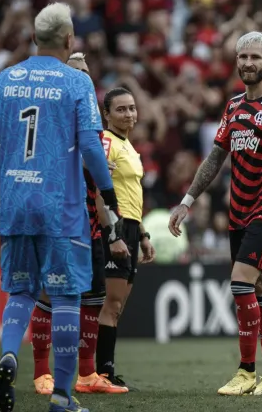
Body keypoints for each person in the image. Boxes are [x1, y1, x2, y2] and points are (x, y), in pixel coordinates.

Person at [0, 2, 124, 412]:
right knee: (66, 299)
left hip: (16, 205)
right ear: (70, 40)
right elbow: (92, 148)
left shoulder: (4, 81)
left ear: (34, 37)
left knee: (20, 291)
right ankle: (61, 395)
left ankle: (9, 354)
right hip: (63, 209)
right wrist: (110, 202)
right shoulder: (76, 84)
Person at [168, 31, 262, 396]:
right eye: (243, 57)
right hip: (239, 211)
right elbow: (215, 158)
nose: (248, 63)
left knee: (240, 283)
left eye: (255, 57)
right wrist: (187, 201)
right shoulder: (233, 106)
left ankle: (246, 371)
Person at [30, 52, 130, 396]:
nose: (83, 77)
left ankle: (87, 375)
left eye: (87, 72)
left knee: (93, 298)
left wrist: (112, 231)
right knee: (49, 294)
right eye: (77, 71)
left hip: (89, 224)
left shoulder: (93, 130)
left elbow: (101, 189)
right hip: (54, 221)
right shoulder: (48, 123)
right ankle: (41, 372)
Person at [95, 86, 157, 389]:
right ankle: (100, 373)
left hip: (131, 227)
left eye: (132, 108)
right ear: (106, 114)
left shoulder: (128, 146)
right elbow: (99, 191)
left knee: (117, 306)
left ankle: (105, 371)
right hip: (114, 227)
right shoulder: (106, 142)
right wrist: (112, 234)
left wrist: (142, 234)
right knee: (110, 304)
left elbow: (132, 195)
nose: (129, 114)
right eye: (120, 109)